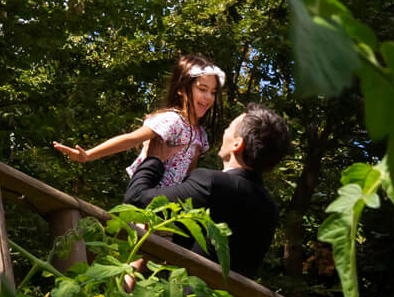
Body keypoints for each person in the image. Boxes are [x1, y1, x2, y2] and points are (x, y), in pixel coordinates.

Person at [124, 102, 293, 276]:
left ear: (237, 144)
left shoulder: (212, 183)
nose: (225, 132)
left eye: (229, 128)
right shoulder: (270, 209)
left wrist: (154, 158)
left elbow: (137, 199)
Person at [53, 55, 225, 188]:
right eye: (202, 89)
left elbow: (188, 175)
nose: (208, 97)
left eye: (213, 92)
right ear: (181, 88)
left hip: (168, 205)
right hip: (145, 195)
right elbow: (131, 139)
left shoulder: (200, 135)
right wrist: (88, 155)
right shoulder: (172, 120)